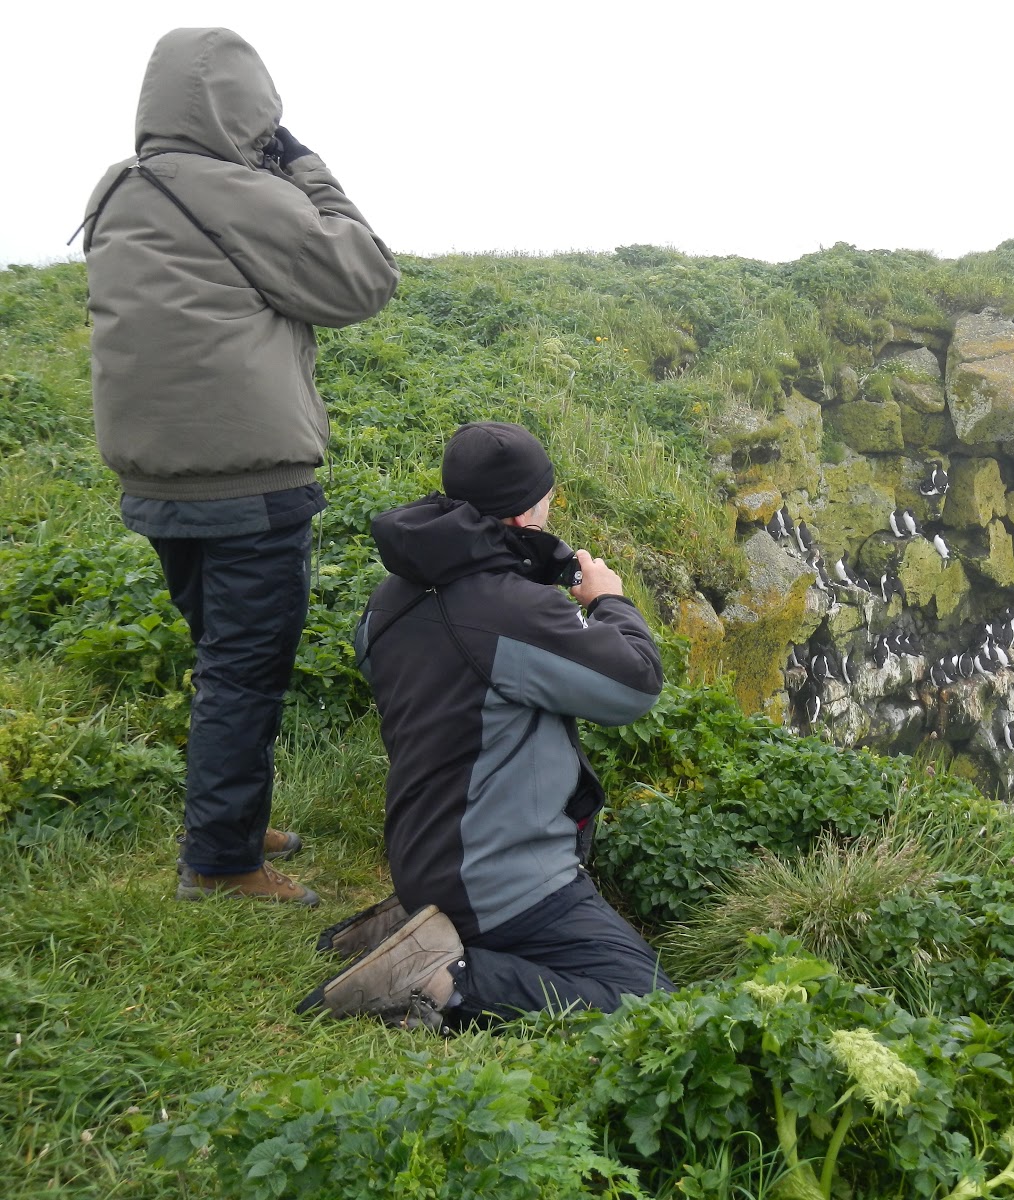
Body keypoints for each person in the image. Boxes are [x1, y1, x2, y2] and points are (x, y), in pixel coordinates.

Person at [80, 28, 400, 905]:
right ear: (248, 108)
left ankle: (231, 818)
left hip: (156, 481)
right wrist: (308, 171)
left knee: (221, 656)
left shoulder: (119, 192)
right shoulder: (239, 193)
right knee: (245, 669)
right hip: (247, 480)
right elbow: (363, 278)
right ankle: (222, 867)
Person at [298, 421, 672, 1029]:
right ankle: (443, 979)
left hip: (427, 850)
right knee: (647, 1002)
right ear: (526, 514)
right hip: (503, 881)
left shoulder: (389, 595)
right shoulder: (510, 609)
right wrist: (610, 602)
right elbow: (634, 686)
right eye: (548, 495)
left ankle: (423, 919)